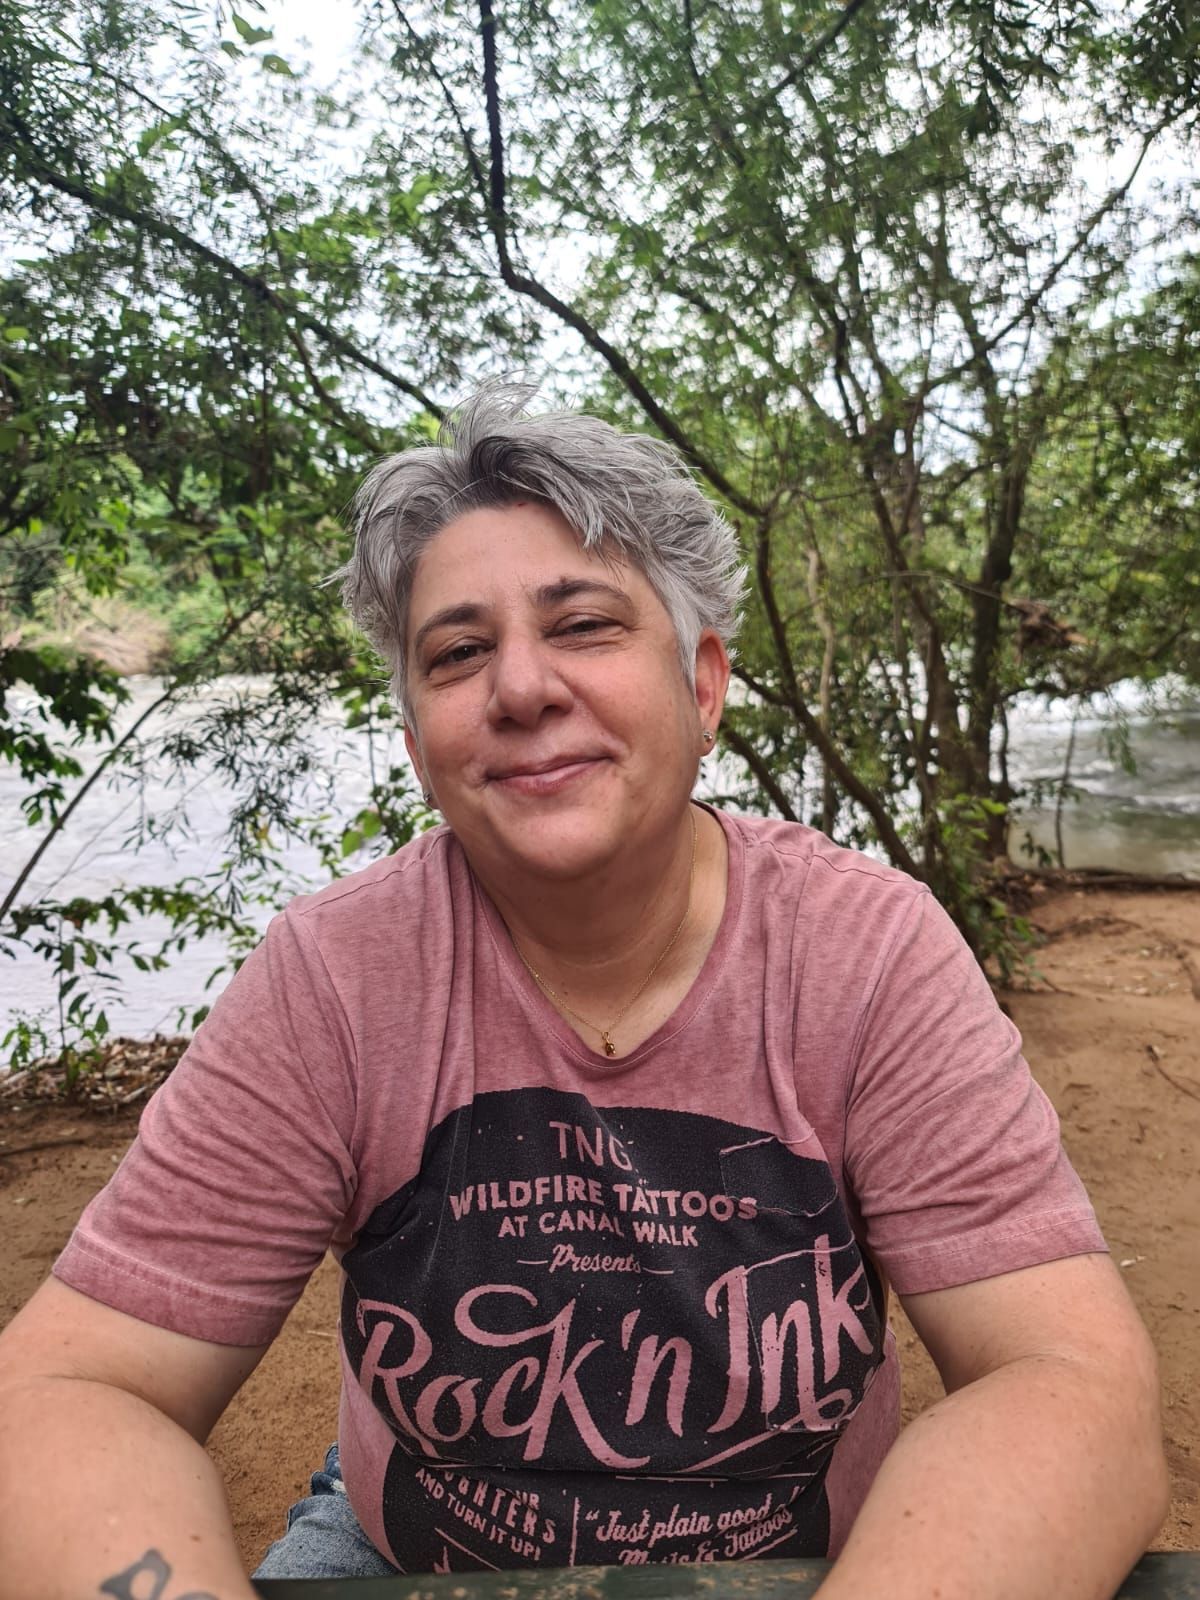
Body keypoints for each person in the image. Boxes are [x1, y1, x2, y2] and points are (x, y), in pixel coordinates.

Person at [0, 386, 1167, 1600]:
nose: (520, 686)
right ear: (420, 742)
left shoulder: (866, 955)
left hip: (814, 1563)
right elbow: (74, 1387)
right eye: (458, 653)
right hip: (402, 1550)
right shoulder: (337, 979)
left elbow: (1065, 1380)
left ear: (702, 686)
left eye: (585, 625)